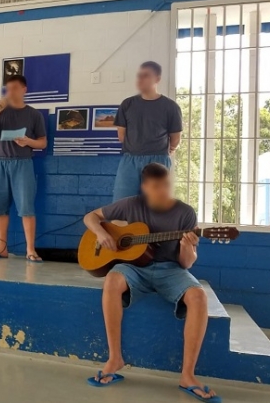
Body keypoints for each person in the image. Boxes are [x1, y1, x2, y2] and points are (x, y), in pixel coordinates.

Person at [83, 163, 219, 402]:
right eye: (156, 187)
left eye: (166, 185)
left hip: (171, 269)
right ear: (145, 187)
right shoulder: (131, 204)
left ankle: (188, 375)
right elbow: (90, 217)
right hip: (135, 268)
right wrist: (102, 234)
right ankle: (115, 358)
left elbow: (187, 264)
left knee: (198, 296)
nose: (162, 191)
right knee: (113, 280)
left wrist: (188, 248)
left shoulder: (185, 213)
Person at [0, 75, 47, 262]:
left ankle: (30, 249)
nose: (10, 92)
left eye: (15, 88)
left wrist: (28, 141)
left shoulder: (34, 114)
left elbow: (42, 143)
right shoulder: (0, 111)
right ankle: (1, 247)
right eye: (8, 88)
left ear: (24, 89)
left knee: (26, 207)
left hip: (23, 163)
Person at [113, 61, 182, 201]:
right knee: (122, 203)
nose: (140, 79)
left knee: (156, 204)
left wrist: (162, 152)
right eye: (139, 75)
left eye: (146, 75)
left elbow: (175, 138)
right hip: (130, 160)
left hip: (158, 160)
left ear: (157, 78)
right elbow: (121, 136)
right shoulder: (127, 104)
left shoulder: (170, 107)